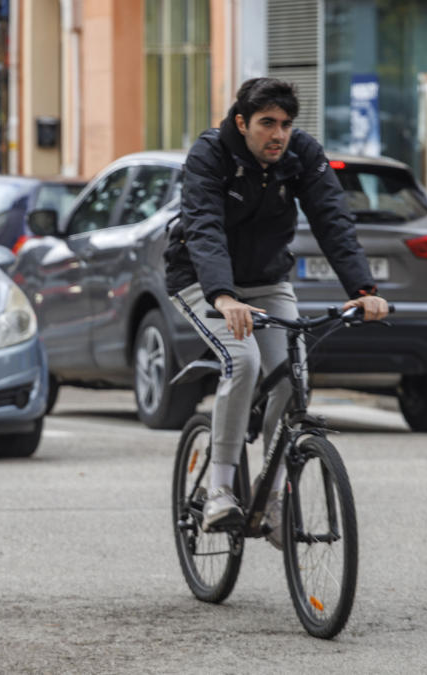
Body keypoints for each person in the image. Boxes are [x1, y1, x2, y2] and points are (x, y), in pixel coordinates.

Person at [164, 78, 389, 546]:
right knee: (243, 361)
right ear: (242, 122)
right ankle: (220, 488)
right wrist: (223, 296)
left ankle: (272, 498)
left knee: (291, 375)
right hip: (201, 281)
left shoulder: (301, 153)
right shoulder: (210, 154)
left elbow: (332, 218)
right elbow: (204, 227)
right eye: (267, 123)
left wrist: (363, 290)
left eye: (285, 124)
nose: (278, 135)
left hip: (267, 280)